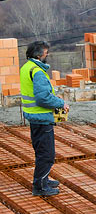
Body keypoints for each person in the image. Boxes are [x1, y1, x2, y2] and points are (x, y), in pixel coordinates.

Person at [20, 41, 69, 196]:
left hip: (34, 117)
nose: (47, 55)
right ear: (38, 55)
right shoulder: (38, 72)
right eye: (46, 53)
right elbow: (43, 99)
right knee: (47, 155)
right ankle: (40, 187)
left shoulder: (26, 67)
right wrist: (61, 103)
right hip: (41, 118)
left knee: (41, 152)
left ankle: (43, 180)